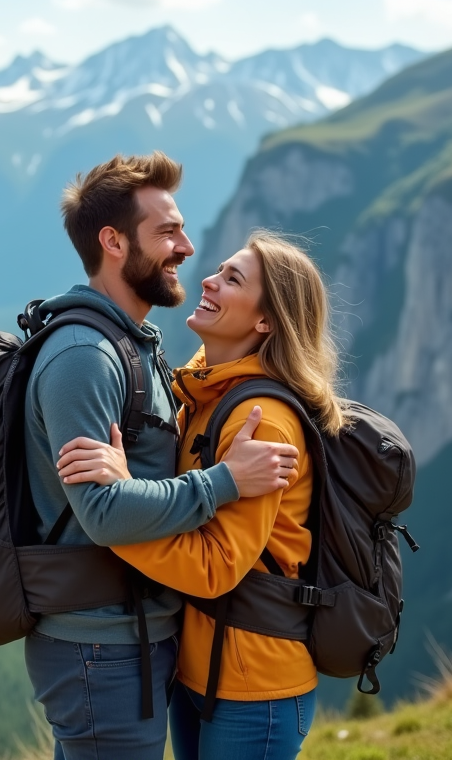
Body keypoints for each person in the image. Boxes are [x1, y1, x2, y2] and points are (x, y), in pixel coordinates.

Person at [24, 154, 301, 760]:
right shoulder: (85, 357)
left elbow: (131, 494)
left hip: (137, 639)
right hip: (100, 645)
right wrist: (224, 481)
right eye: (167, 232)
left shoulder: (139, 349)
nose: (187, 247)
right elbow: (102, 514)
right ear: (114, 241)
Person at [56, 231, 348, 760]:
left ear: (266, 322)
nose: (207, 281)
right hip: (199, 667)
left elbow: (215, 567)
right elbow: (182, 507)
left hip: (254, 683)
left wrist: (112, 515)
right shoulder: (203, 396)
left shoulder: (262, 425)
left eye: (232, 279)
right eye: (218, 270)